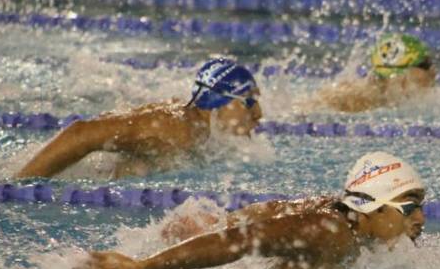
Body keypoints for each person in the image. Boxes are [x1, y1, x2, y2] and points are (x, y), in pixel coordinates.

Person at [73, 151, 426, 269]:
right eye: (409, 207)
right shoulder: (329, 232)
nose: (421, 218)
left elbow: (272, 210)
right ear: (373, 207)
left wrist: (218, 221)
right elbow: (240, 241)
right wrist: (143, 268)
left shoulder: (342, 216)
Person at [14, 57, 262, 179]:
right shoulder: (174, 130)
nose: (258, 113)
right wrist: (22, 184)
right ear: (218, 100)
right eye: (248, 101)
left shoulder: (200, 131)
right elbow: (82, 133)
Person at [317, 33, 436, 113]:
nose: (433, 71)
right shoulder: (356, 99)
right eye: (425, 64)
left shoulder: (385, 101)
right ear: (401, 72)